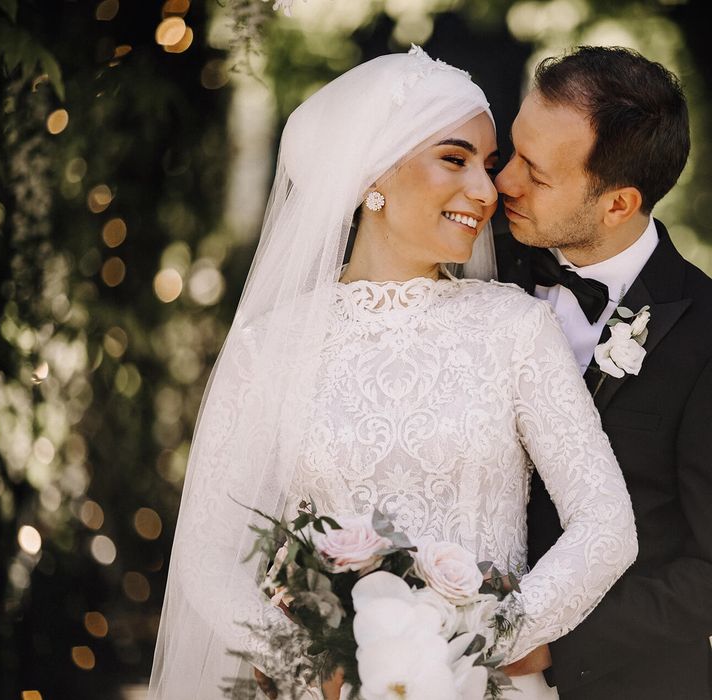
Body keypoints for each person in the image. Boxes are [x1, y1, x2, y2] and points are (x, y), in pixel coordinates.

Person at [148, 46, 637, 700]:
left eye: (487, 167)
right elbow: (207, 557)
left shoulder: (515, 329)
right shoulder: (272, 348)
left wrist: (479, 645)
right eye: (455, 159)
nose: (487, 191)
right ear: (373, 172)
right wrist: (308, 660)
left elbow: (607, 525)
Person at [495, 46, 712, 699]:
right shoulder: (476, 265)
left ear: (618, 204)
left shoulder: (705, 334)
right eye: (513, 150)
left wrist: (550, 644)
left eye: (536, 172)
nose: (503, 181)